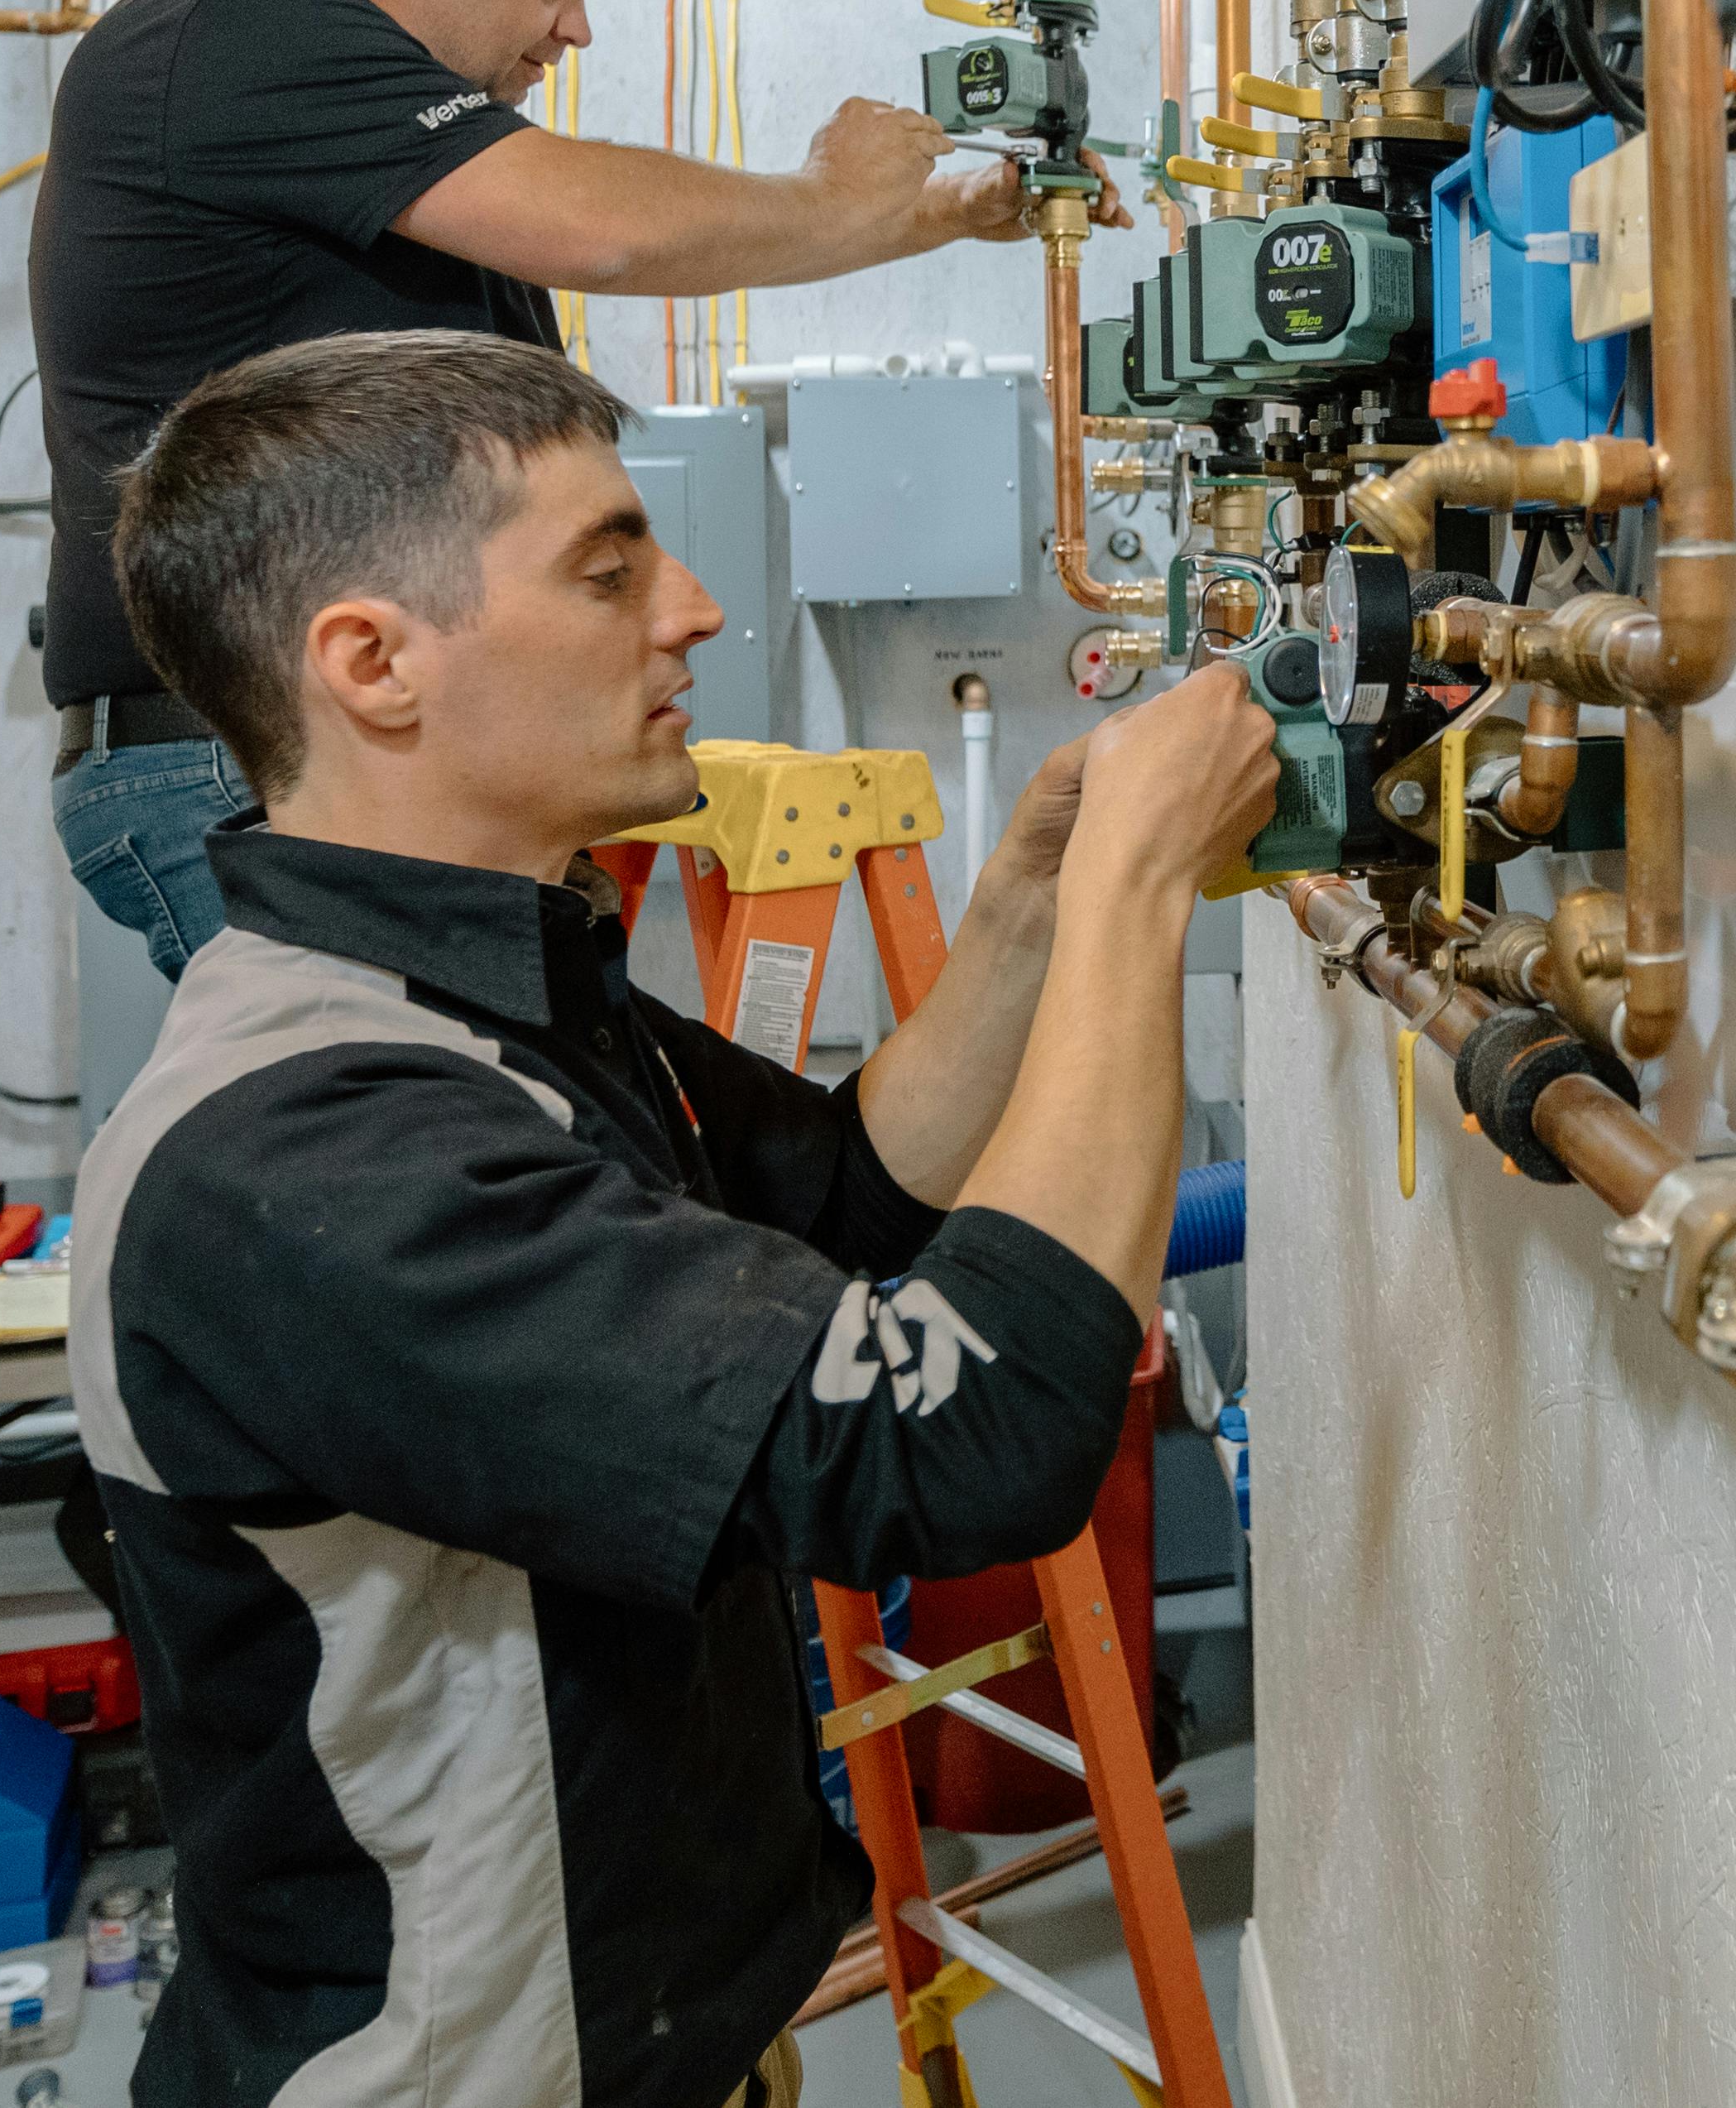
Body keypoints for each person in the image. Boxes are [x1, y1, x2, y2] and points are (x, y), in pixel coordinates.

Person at [73, 328, 1276, 2108]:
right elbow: (964, 1445)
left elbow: (855, 1191)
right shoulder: (316, 1148)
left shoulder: (491, 999)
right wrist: (1135, 904)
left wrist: (1027, 904)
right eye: (610, 566)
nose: (695, 608)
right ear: (372, 665)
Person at [40, 0, 1077, 977]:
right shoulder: (227, 30)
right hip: (257, 757)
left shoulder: (377, 164)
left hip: (359, 746)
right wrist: (830, 194)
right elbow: (606, 228)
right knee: (421, 1140)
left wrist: (930, 219)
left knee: (516, 1129)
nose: (575, 28)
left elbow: (615, 235)